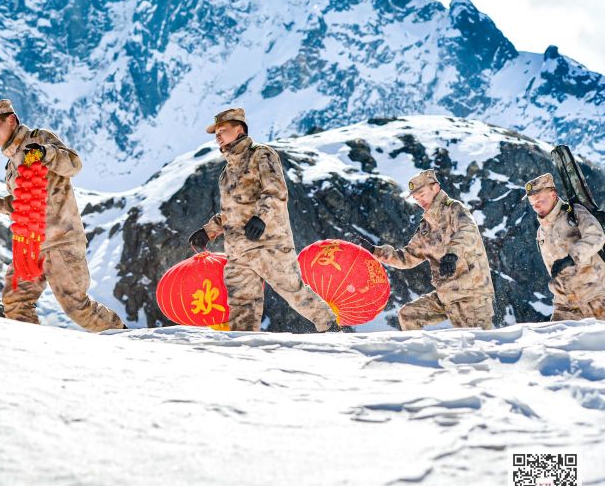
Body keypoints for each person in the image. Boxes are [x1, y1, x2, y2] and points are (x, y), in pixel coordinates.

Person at [0, 99, 125, 332]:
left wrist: (45, 153)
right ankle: (30, 351)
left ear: (11, 120)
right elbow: (22, 204)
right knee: (15, 301)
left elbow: (74, 164)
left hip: (61, 240)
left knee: (77, 306)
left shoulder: (39, 139)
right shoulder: (11, 165)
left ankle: (126, 340)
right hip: (30, 245)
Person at [188, 108, 337, 332]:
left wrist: (261, 217)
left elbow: (276, 191)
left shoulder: (261, 154)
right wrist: (208, 231)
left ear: (239, 130)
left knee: (293, 291)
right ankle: (244, 351)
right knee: (241, 305)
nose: (217, 136)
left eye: (222, 130)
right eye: (215, 132)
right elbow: (232, 211)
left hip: (269, 244)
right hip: (238, 250)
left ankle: (332, 328)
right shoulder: (227, 172)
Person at [358, 169, 494, 329]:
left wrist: (452, 255)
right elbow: (406, 257)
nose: (419, 200)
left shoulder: (454, 209)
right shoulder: (426, 227)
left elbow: (468, 232)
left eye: (422, 194)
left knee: (476, 346)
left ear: (435, 187)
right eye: (416, 198)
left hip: (471, 294)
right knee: (409, 315)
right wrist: (374, 251)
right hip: (446, 295)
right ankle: (420, 353)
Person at [525, 172, 605, 320]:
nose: (536, 207)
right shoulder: (540, 232)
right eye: (532, 204)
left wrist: (572, 257)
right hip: (565, 305)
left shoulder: (573, 213)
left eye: (539, 201)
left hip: (595, 296)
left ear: (553, 195)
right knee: (555, 341)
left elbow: (597, 237)